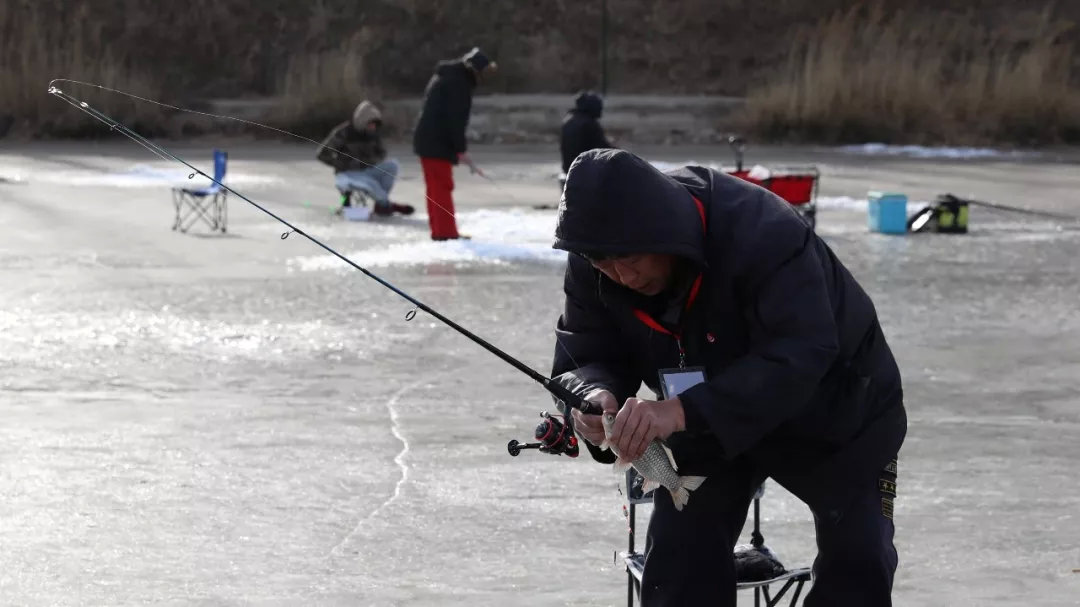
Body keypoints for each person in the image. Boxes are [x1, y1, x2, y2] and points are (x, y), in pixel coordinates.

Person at [550, 149, 906, 606]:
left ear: (663, 231)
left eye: (630, 258)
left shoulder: (763, 230)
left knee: (858, 561)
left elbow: (801, 352)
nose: (622, 275)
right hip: (705, 418)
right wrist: (593, 397)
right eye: (604, 266)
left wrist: (678, 410)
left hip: (841, 410)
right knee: (679, 562)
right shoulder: (594, 257)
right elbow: (585, 348)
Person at [412, 47, 497, 240]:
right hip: (435, 142)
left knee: (435, 187)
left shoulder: (448, 77)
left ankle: (439, 230)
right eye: (482, 74)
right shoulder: (458, 84)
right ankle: (445, 233)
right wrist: (461, 149)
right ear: (474, 70)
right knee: (442, 186)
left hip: (429, 141)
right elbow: (454, 121)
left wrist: (458, 149)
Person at [317, 100, 412, 217]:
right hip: (347, 173)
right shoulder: (343, 133)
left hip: (367, 170)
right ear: (362, 121)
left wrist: (373, 160)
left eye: (375, 125)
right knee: (372, 184)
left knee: (392, 165)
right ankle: (386, 205)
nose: (373, 127)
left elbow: (382, 152)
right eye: (370, 124)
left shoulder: (373, 134)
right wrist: (341, 164)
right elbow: (322, 154)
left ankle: (381, 204)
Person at [559, 90, 613, 176]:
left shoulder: (569, 120)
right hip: (583, 170)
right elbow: (603, 147)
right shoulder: (589, 124)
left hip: (568, 168)